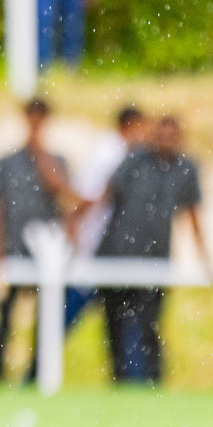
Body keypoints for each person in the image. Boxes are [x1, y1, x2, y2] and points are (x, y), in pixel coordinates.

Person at [97, 115, 212, 385]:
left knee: (149, 324)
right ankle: (121, 380)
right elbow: (106, 198)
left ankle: (152, 381)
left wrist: (205, 259)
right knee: (115, 323)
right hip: (118, 256)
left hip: (155, 259)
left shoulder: (185, 168)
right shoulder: (135, 161)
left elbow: (192, 215)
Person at [0, 99, 69, 386]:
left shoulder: (57, 160)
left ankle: (34, 378)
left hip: (45, 254)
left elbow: (62, 192)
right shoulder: (6, 163)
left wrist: (39, 154)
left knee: (44, 321)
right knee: (5, 318)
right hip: (13, 250)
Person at [64, 105, 147, 331]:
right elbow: (89, 197)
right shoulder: (111, 152)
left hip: (105, 243)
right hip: (93, 242)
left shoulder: (118, 152)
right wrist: (74, 227)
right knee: (68, 311)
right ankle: (39, 365)